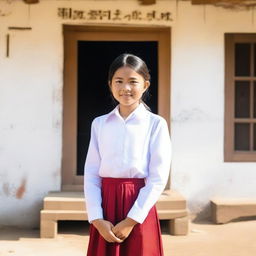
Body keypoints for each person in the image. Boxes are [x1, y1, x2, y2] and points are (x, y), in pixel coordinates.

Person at [84, 53, 172, 256]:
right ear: (110, 84)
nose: (126, 88)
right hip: (106, 204)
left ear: (146, 85)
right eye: (119, 81)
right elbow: (91, 173)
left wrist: (132, 220)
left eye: (133, 81)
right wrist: (97, 218)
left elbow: (158, 178)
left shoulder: (155, 124)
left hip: (139, 204)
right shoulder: (99, 124)